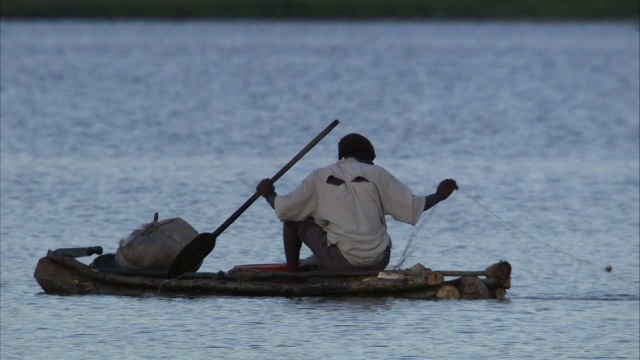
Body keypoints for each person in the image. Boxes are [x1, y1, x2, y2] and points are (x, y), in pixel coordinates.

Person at [256, 133, 457, 272]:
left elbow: (283, 210)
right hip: (378, 261)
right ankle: (320, 262)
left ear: (341, 156)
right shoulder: (377, 173)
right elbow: (413, 207)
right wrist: (439, 195)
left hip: (341, 263)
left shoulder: (319, 176)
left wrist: (269, 194)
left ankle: (292, 276)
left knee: (293, 218)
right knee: (310, 217)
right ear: (368, 158)